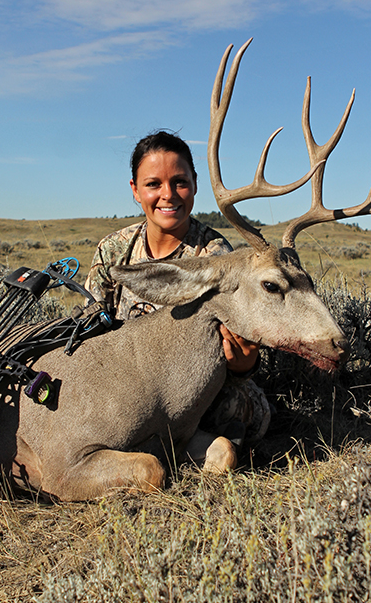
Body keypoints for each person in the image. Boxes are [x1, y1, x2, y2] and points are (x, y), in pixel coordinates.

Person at [85, 130, 270, 446]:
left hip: (193, 384)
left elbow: (236, 354)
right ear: (135, 190)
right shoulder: (113, 250)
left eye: (179, 182)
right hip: (125, 381)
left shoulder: (216, 259)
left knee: (234, 410)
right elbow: (86, 328)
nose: (168, 194)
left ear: (195, 185)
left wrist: (245, 365)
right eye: (153, 184)